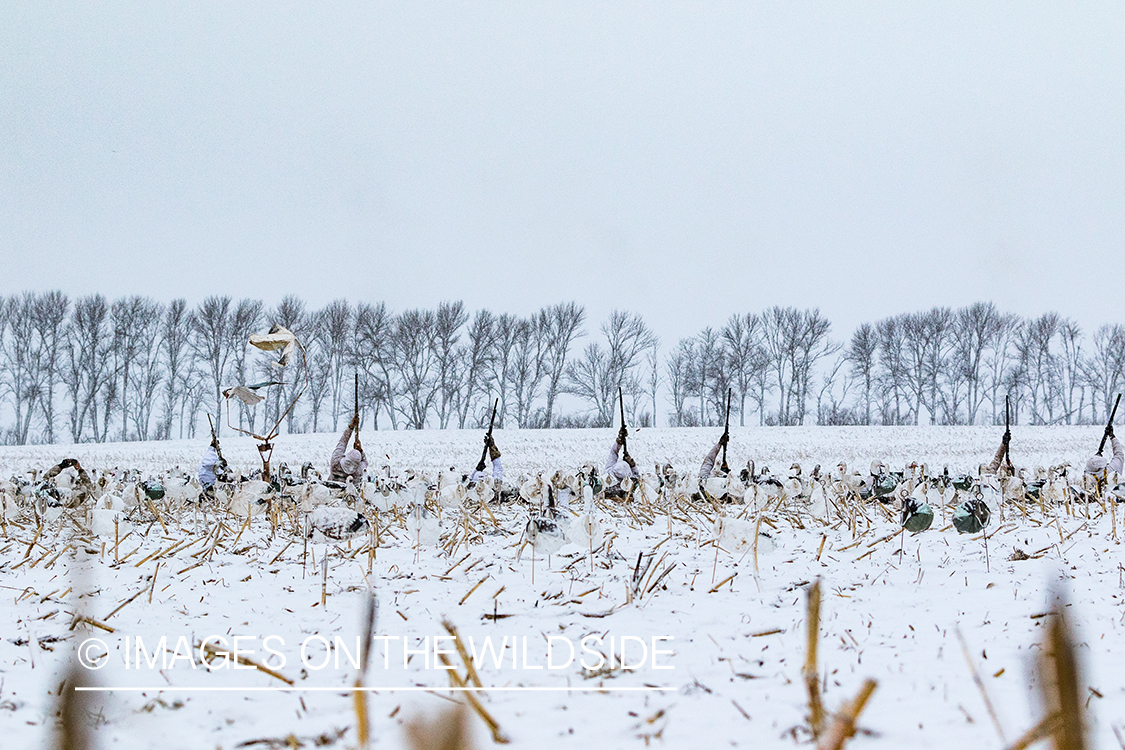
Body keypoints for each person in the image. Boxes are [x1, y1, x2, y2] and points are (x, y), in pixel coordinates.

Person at [330, 414, 367, 485]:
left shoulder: (335, 462)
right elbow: (365, 462)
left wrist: (351, 427)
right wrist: (360, 451)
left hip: (332, 492)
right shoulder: (358, 471)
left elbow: (342, 442)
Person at [604, 424, 638, 497]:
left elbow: (613, 453)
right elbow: (638, 478)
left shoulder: (607, 476)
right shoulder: (630, 483)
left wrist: (619, 441)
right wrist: (633, 465)